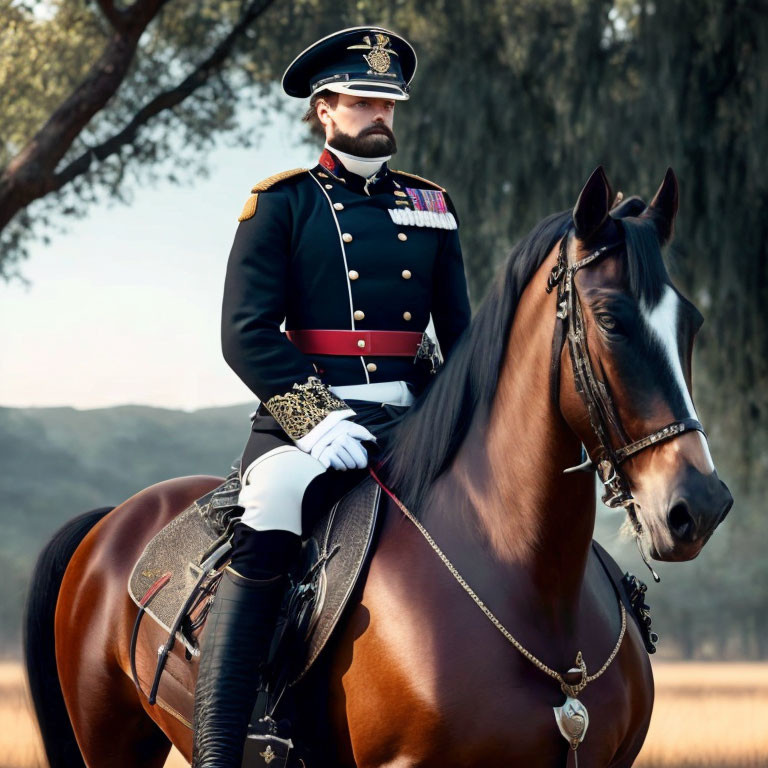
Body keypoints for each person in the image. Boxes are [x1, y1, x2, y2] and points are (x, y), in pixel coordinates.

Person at [192, 26, 472, 767]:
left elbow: (464, 341)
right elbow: (245, 333)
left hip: (413, 421)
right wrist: (314, 421)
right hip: (307, 421)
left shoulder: (432, 206)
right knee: (272, 505)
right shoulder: (283, 204)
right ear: (325, 109)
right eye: (363, 100)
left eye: (389, 102)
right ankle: (224, 740)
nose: (380, 114)